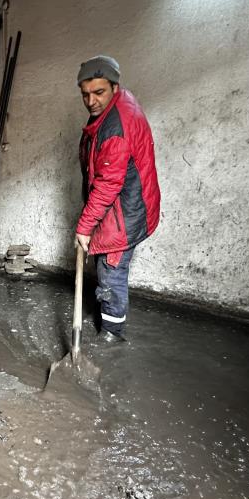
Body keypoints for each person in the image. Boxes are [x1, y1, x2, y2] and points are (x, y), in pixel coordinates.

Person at [74, 56, 160, 343]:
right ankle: (110, 323)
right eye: (85, 94)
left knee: (110, 274)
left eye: (98, 92)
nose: (91, 101)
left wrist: (85, 227)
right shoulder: (113, 106)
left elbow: (109, 184)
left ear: (114, 86)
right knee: (107, 267)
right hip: (123, 206)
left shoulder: (116, 127)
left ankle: (111, 335)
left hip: (125, 211)